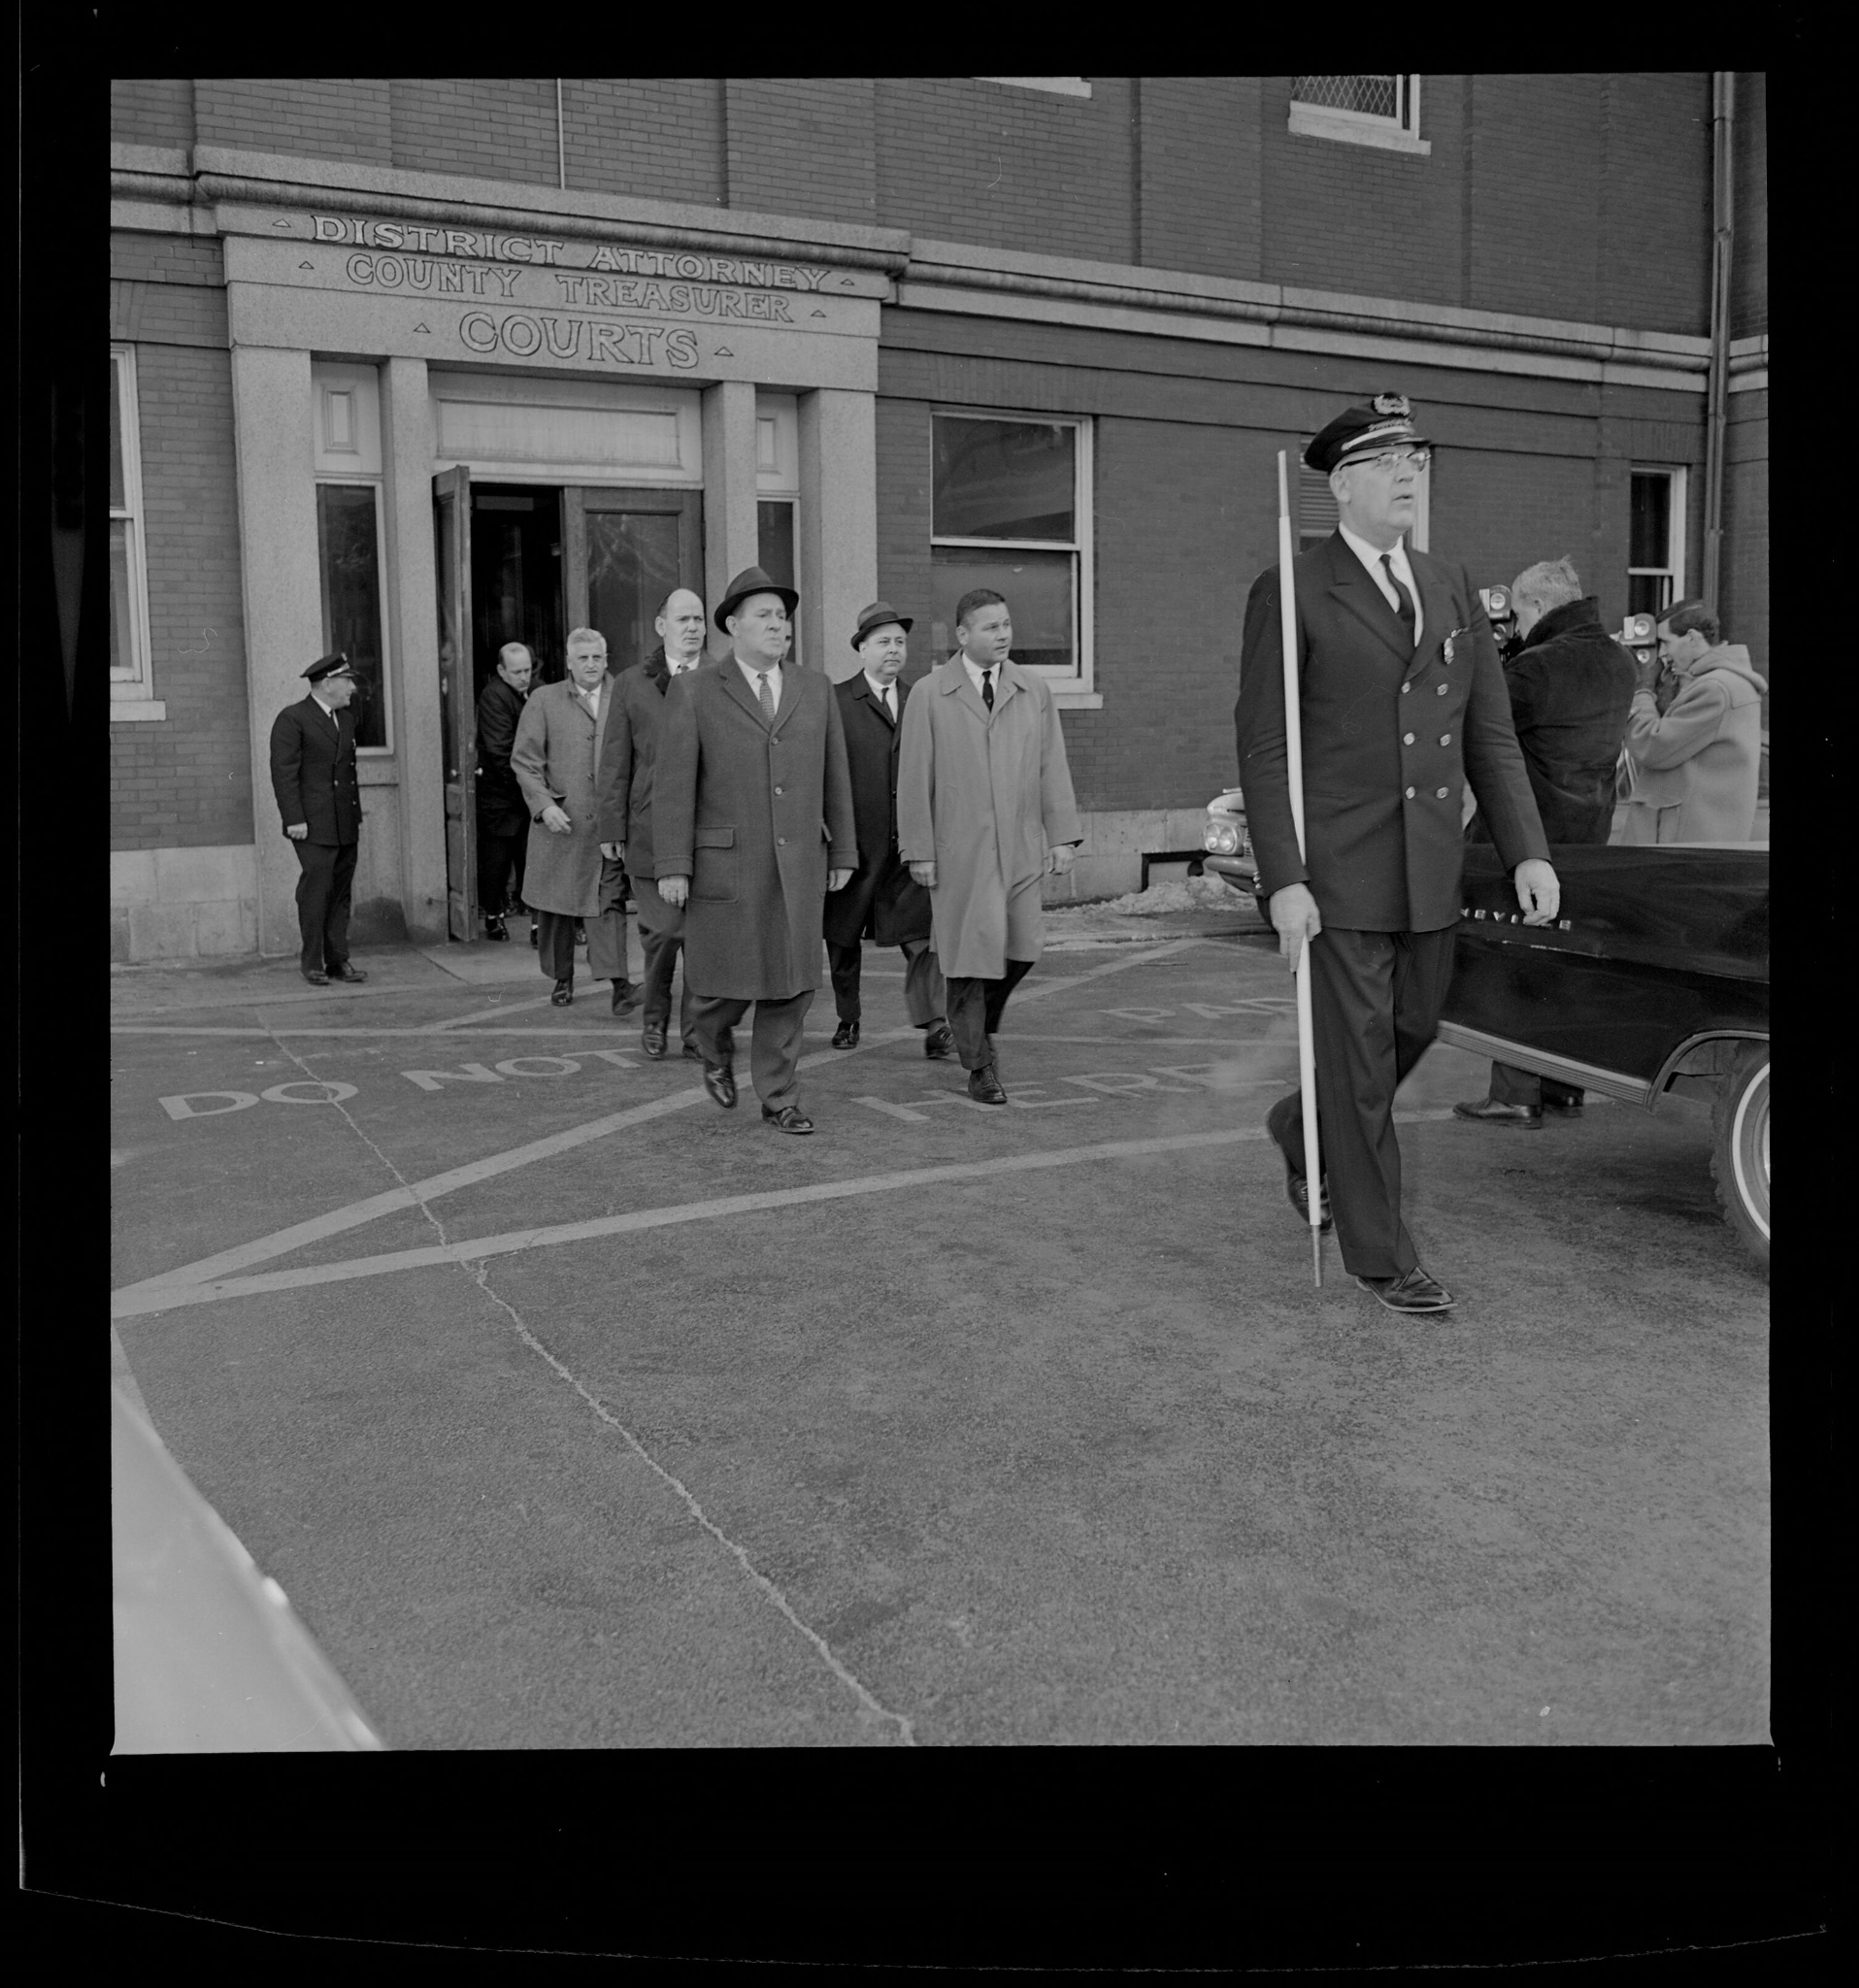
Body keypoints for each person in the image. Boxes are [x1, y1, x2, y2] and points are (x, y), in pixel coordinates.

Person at [1234, 392, 1558, 1315]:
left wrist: (1527, 850)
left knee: (1411, 1026)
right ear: (1340, 484)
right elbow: (1263, 745)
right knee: (1365, 1065)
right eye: (1386, 461)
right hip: (1337, 874)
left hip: (1428, 870)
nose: (1409, 472)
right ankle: (1382, 1256)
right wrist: (1284, 879)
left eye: (1415, 457)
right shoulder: (1291, 586)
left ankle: (1304, 1126)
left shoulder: (1449, 580)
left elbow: (1488, 734)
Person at [653, 566, 857, 1133]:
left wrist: (841, 853)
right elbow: (672, 785)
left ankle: (780, 1097)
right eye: (764, 615)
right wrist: (673, 864)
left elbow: (834, 775)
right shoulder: (693, 690)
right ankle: (713, 1045)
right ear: (733, 626)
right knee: (723, 986)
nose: (778, 625)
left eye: (783, 616)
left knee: (791, 985)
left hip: (799, 863)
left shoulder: (814, 687)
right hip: (728, 862)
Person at [1455, 557, 1637, 1128]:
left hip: (1527, 838)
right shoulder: (1618, 658)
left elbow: (1478, 723)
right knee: (1563, 961)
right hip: (1591, 831)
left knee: (1510, 962)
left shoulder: (1538, 667)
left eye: (1521, 613)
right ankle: (1564, 1086)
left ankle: (1514, 1092)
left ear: (1534, 606)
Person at [896, 587, 1081, 1105]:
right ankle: (979, 1066)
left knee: (1022, 950)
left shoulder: (1032, 689)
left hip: (1019, 847)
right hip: (960, 853)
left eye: (1006, 625)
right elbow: (914, 780)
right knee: (968, 962)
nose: (1002, 635)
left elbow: (1051, 764)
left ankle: (975, 1028)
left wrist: (1062, 835)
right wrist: (920, 851)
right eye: (990, 627)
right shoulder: (931, 694)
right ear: (962, 635)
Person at [823, 603, 955, 1058]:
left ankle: (936, 1023)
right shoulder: (837, 701)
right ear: (861, 649)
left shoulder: (922, 697)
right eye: (883, 642)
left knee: (922, 938)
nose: (893, 650)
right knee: (842, 940)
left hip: (909, 844)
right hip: (855, 846)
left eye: (900, 641)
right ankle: (848, 1019)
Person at [596, 589, 708, 1061]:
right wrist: (611, 829)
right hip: (648, 830)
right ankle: (656, 1019)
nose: (693, 628)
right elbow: (615, 761)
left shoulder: (722, 678)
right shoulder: (630, 683)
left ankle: (697, 1033)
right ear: (661, 626)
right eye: (683, 619)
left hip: (709, 832)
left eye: (699, 619)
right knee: (664, 935)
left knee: (703, 940)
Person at [511, 626, 638, 1011]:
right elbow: (525, 761)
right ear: (568, 662)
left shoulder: (625, 697)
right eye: (582, 658)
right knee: (555, 908)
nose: (591, 665)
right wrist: (544, 805)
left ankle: (619, 984)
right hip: (560, 824)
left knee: (608, 903)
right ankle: (561, 978)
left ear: (606, 660)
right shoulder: (544, 700)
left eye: (597, 657)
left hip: (609, 826)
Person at [1615, 600, 1767, 845]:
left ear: (1692, 638)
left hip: (1681, 839)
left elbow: (1652, 745)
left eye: (1666, 642)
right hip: (1695, 836)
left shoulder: (1715, 689)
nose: (1662, 653)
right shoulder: (1722, 683)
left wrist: (1642, 691)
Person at [268, 652, 368, 987]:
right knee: (316, 892)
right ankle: (312, 963)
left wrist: (354, 816)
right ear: (328, 683)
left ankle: (338, 960)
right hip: (311, 825)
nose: (352, 687)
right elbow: (284, 775)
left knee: (340, 894)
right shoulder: (293, 719)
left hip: (343, 822)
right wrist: (294, 818)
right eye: (347, 680)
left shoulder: (347, 720)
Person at [474, 643, 533, 942]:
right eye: (517, 672)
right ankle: (494, 917)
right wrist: (532, 786)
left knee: (529, 859)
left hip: (524, 793)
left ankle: (535, 921)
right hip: (500, 794)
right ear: (501, 670)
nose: (524, 676)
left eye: (527, 670)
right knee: (496, 861)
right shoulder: (494, 696)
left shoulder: (533, 690)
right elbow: (500, 751)